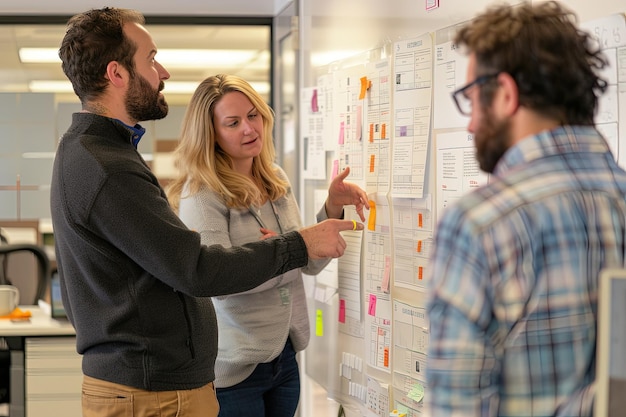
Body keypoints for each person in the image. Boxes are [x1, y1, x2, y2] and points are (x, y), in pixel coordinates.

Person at [50, 8, 363, 417]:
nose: (162, 72)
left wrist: (294, 244)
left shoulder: (105, 155)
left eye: (253, 116)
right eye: (151, 58)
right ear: (117, 74)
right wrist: (294, 247)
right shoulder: (106, 167)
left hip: (174, 381)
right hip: (156, 389)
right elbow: (200, 272)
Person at [425, 2, 624, 416]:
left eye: (473, 99)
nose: (470, 124)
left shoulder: (479, 222)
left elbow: (455, 407)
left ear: (506, 95)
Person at [165, 74, 369, 417]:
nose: (249, 128)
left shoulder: (275, 179)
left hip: (284, 353)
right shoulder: (201, 194)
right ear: (211, 134)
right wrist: (284, 253)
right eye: (233, 123)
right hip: (236, 365)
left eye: (253, 115)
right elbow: (219, 283)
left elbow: (308, 263)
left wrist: (331, 208)